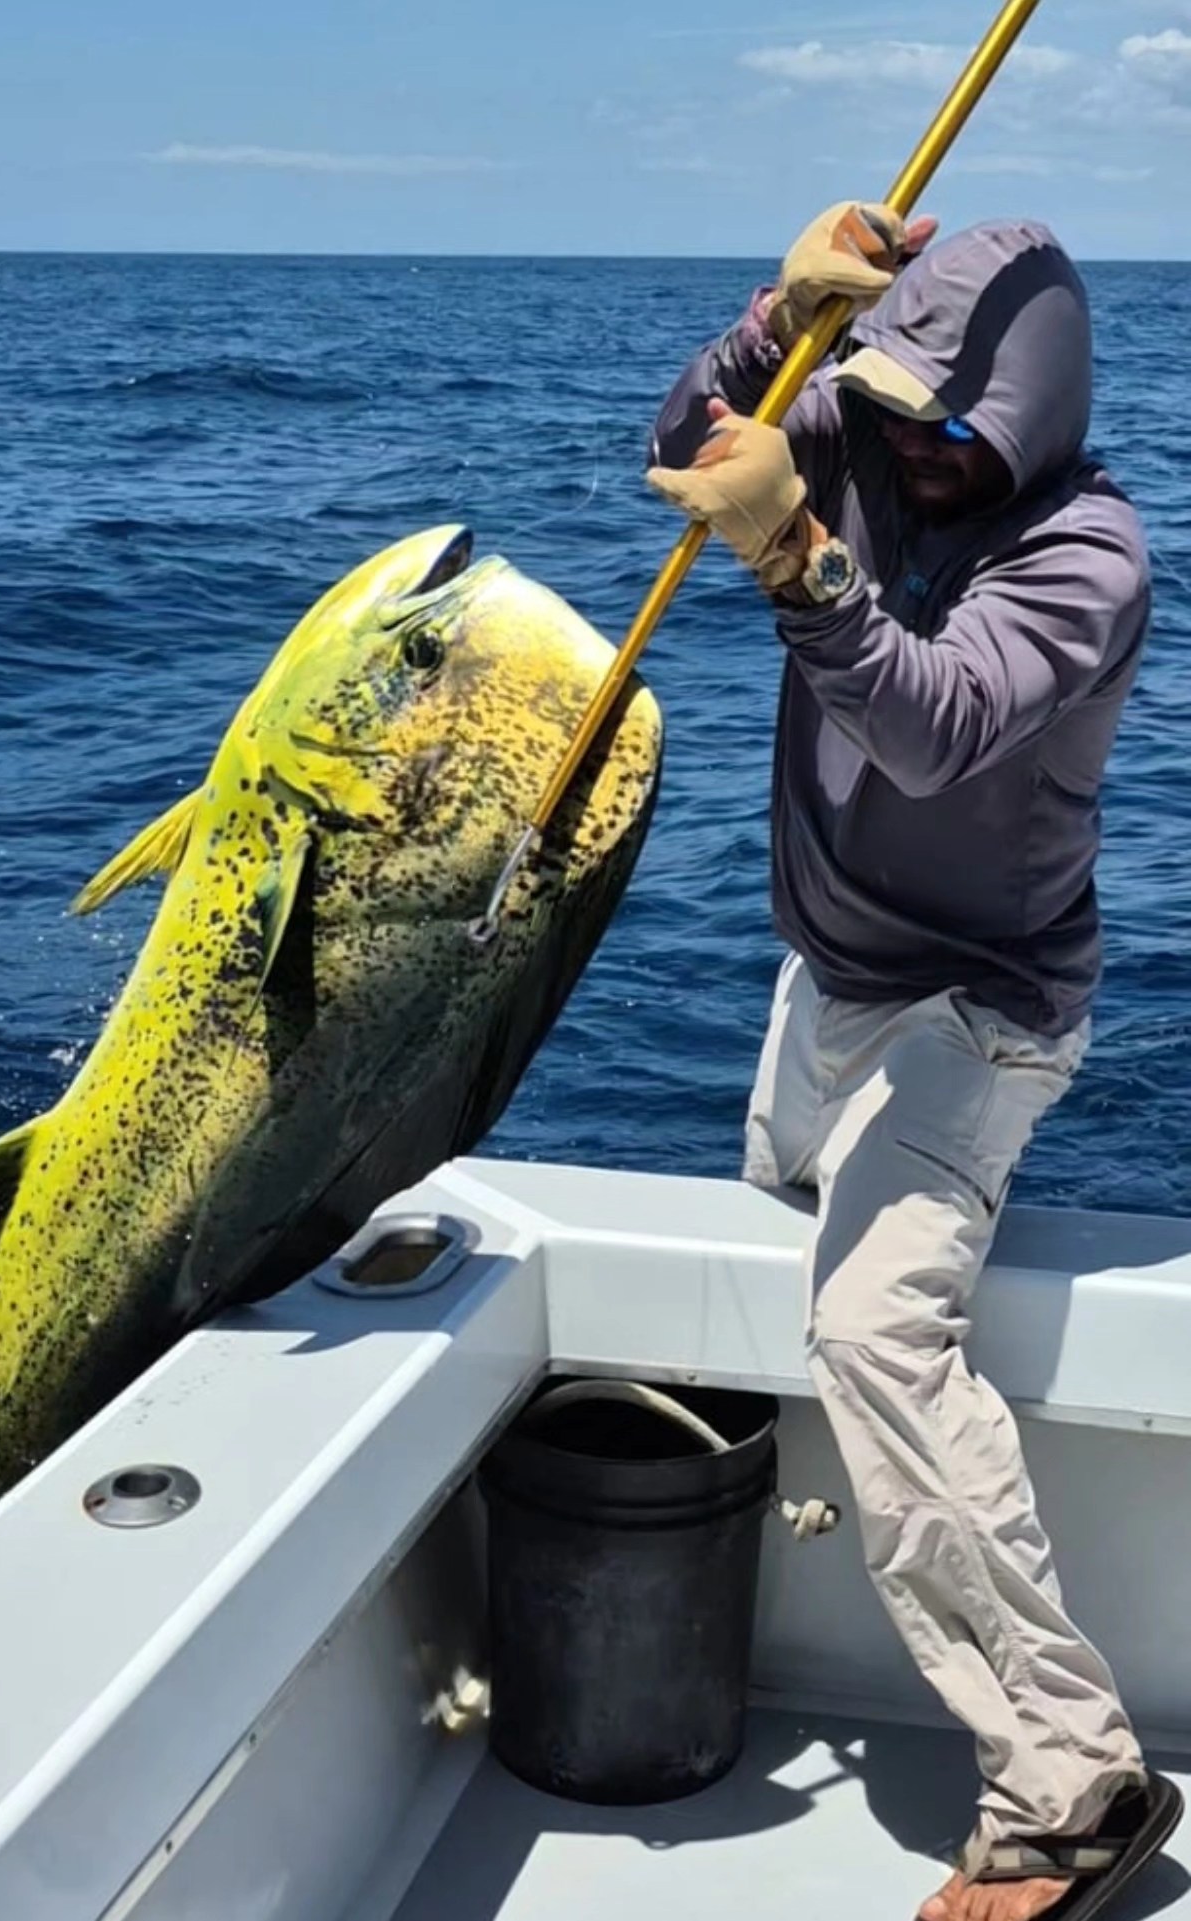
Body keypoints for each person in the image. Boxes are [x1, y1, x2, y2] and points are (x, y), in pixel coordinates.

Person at [645, 206, 1182, 1921]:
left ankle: (1071, 1779)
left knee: (872, 1326)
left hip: (980, 1009)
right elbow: (684, 452)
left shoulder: (1089, 555)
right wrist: (773, 322)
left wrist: (800, 556)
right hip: (823, 982)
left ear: (1022, 422)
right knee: (762, 1286)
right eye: (887, 410)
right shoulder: (865, 424)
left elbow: (938, 726)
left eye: (950, 428)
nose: (908, 451)